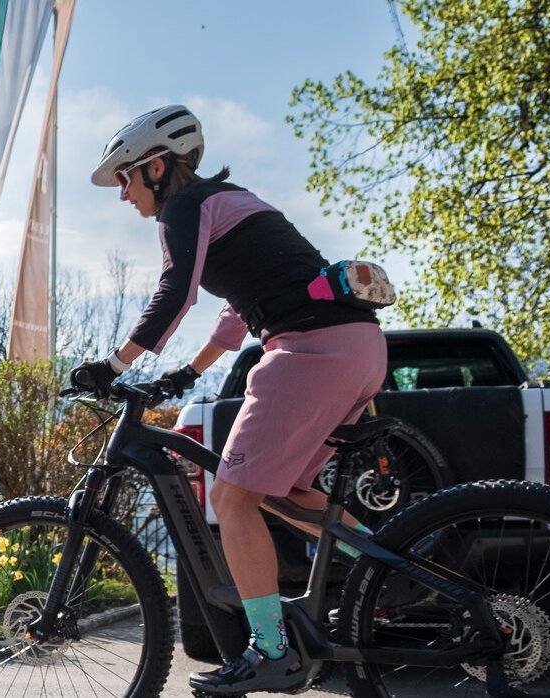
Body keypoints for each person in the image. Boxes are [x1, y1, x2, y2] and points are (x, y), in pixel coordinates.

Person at [74, 105, 385, 694]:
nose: (122, 196)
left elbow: (177, 291)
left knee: (234, 498)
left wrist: (114, 364)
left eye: (124, 178)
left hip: (310, 352)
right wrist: (186, 373)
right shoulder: (232, 202)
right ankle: (393, 568)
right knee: (286, 493)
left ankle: (271, 651)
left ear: (157, 167)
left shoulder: (184, 208)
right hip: (358, 347)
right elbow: (238, 306)